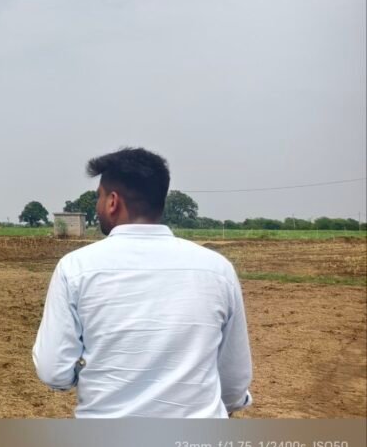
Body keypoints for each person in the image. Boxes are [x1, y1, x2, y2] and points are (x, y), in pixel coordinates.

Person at [32, 147, 252, 418]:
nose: (98, 205)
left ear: (113, 202)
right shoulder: (218, 270)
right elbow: (233, 381)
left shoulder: (75, 268)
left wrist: (84, 372)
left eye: (99, 196)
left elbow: (53, 370)